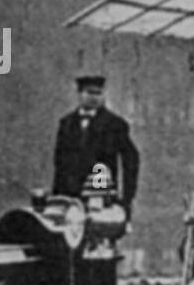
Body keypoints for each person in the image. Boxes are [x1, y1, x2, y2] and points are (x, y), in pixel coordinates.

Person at [52, 75, 140, 215]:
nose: (94, 98)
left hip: (100, 194)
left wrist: (126, 198)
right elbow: (59, 163)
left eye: (98, 93)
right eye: (89, 93)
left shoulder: (115, 124)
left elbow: (131, 161)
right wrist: (56, 198)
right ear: (80, 94)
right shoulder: (66, 123)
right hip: (69, 196)